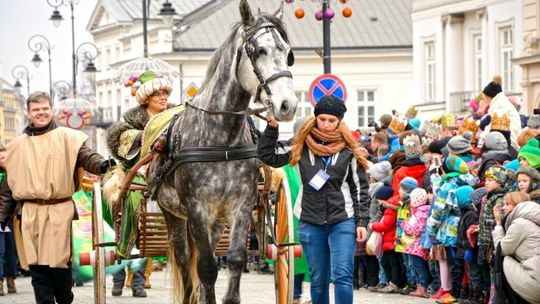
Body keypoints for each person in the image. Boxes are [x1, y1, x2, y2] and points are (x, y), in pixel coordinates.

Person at [0, 91, 114, 304]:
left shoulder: (68, 138)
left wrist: (102, 165)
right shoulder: (17, 146)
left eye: (45, 109)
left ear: (51, 110)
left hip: (59, 210)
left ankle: (64, 298)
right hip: (30, 212)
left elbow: (86, 157)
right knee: (37, 268)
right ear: (28, 113)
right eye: (36, 110)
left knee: (59, 266)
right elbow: (8, 186)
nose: (41, 113)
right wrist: (2, 217)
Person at [257, 95, 370, 304]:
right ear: (315, 118)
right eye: (322, 119)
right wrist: (272, 128)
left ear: (339, 122)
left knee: (343, 275)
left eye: (332, 121)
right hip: (310, 221)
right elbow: (268, 155)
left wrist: (362, 221)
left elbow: (361, 189)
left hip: (342, 220)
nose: (326, 125)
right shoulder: (299, 145)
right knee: (318, 279)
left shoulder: (348, 151)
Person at [104, 70, 175, 298]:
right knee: (135, 200)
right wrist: (145, 136)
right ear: (146, 98)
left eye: (165, 93)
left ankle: (139, 281)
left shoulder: (176, 116)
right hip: (136, 172)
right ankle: (119, 270)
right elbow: (124, 151)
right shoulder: (130, 122)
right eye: (157, 94)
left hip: (167, 172)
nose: (163, 98)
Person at [492, 192, 540, 304]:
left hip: (535, 285)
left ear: (518, 205)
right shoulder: (533, 218)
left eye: (507, 204)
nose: (503, 208)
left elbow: (501, 249)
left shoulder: (520, 223)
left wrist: (498, 224)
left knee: (502, 258)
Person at [0, 146, 17, 296]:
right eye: (1, 158)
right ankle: (0, 282)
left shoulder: (14, 173)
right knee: (0, 251)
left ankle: (11, 279)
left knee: (11, 251)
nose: (3, 160)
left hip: (10, 219)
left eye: (5, 157)